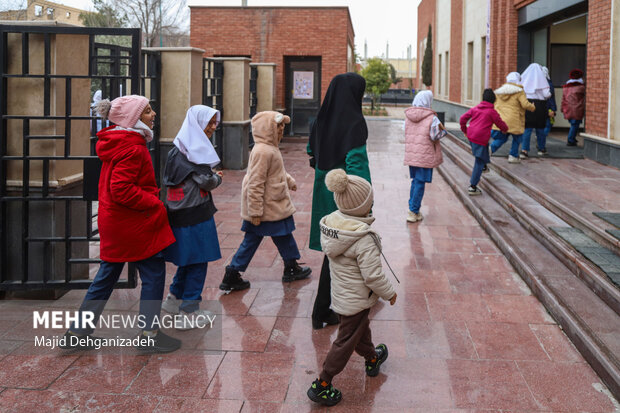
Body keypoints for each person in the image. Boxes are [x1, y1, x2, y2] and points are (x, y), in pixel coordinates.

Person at [61, 95, 180, 353]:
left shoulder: (118, 142)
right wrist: (154, 203)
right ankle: (149, 334)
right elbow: (122, 189)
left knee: (107, 275)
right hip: (133, 223)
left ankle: (77, 332)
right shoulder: (133, 147)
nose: (153, 114)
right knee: (153, 273)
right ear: (132, 119)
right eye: (147, 111)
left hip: (116, 221)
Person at [306, 169, 397, 407]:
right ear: (364, 207)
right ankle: (322, 383)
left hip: (343, 296)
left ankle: (371, 357)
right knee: (345, 340)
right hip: (356, 298)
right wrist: (390, 293)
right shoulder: (363, 238)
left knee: (359, 329)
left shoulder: (334, 224)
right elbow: (373, 277)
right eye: (370, 202)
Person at [220, 111, 311, 292]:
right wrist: (255, 211)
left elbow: (276, 172)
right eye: (277, 126)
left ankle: (290, 265)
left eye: (282, 126)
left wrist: (289, 181)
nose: (281, 129)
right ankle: (232, 273)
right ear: (265, 128)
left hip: (274, 204)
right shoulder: (263, 151)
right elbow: (256, 182)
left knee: (284, 234)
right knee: (253, 240)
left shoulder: (270, 148)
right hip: (266, 207)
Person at [308, 72, 371, 330]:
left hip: (323, 191)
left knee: (332, 246)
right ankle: (323, 308)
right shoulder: (354, 123)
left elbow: (311, 153)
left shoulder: (319, 120)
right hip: (345, 196)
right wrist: (365, 200)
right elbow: (357, 168)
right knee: (344, 248)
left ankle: (328, 306)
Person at [161, 105, 223, 330]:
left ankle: (173, 298)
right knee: (198, 259)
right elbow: (206, 181)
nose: (213, 127)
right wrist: (217, 178)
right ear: (197, 123)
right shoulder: (194, 151)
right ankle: (189, 310)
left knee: (188, 258)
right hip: (196, 213)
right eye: (209, 123)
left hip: (178, 212)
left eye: (215, 122)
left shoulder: (178, 147)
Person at [404, 90, 445, 223]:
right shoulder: (432, 118)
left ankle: (413, 209)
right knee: (420, 183)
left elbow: (404, 131)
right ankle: (413, 211)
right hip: (425, 155)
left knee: (415, 181)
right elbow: (435, 136)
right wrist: (442, 131)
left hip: (412, 154)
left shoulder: (408, 116)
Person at [459, 89, 508, 196]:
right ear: (493, 100)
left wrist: (465, 130)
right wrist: (505, 129)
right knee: (479, 161)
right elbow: (500, 123)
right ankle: (473, 186)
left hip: (472, 136)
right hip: (480, 138)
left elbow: (462, 118)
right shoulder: (492, 112)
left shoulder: (476, 108)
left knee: (484, 150)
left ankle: (485, 166)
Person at [490, 72, 535, 163]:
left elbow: (494, 105)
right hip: (514, 120)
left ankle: (490, 149)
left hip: (501, 119)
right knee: (517, 138)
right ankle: (513, 156)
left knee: (501, 138)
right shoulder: (519, 91)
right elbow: (525, 104)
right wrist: (533, 107)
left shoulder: (499, 91)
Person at [520, 63, 552, 159]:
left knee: (527, 128)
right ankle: (541, 149)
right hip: (540, 106)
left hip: (528, 105)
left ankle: (524, 150)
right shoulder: (542, 80)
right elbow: (547, 94)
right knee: (540, 128)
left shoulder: (524, 80)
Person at [561, 69, 586, 147]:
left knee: (573, 124)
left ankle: (573, 138)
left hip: (567, 108)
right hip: (577, 109)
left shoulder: (566, 87)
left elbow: (563, 98)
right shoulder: (581, 87)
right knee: (575, 125)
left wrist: (562, 108)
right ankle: (570, 139)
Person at [539, 66, 557, 155]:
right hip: (548, 107)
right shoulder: (549, 84)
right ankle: (541, 143)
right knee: (548, 125)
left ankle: (540, 142)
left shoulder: (537, 82)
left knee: (542, 126)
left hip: (540, 107)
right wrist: (553, 109)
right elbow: (551, 98)